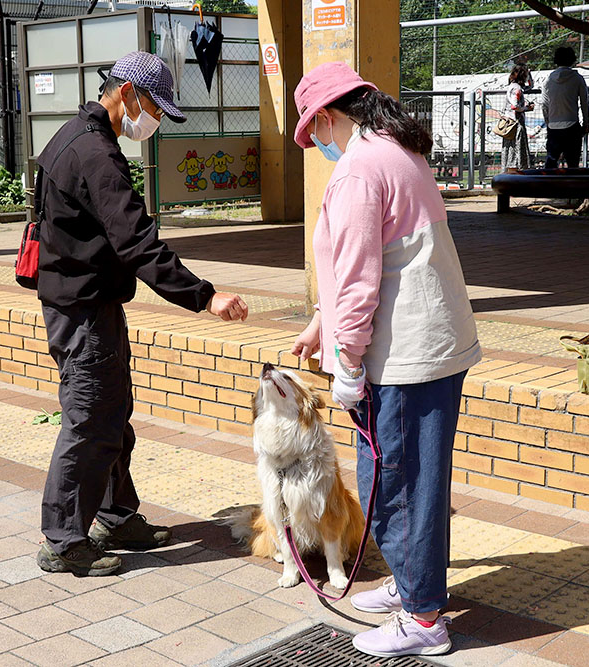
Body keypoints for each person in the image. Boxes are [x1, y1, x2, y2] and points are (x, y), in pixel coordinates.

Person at [289, 62, 481, 658]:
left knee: (396, 485)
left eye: (312, 131)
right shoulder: (398, 152)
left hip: (405, 356)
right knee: (415, 481)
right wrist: (326, 322)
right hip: (433, 346)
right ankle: (411, 586)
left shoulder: (357, 170)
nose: (315, 144)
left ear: (324, 116)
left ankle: (424, 620)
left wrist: (345, 364)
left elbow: (357, 279)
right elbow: (381, 259)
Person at [33, 51, 248, 577]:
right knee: (89, 419)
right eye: (154, 107)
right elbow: (136, 242)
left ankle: (115, 514)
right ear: (127, 93)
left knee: (111, 413)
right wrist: (203, 295)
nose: (153, 121)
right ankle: (62, 541)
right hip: (82, 309)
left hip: (86, 302)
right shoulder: (94, 153)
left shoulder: (78, 137)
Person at [541, 47, 589, 169]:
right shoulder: (577, 78)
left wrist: (548, 122)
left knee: (551, 162)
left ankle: (547, 186)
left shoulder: (548, 80)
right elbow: (585, 102)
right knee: (573, 164)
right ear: (572, 60)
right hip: (572, 125)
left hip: (553, 126)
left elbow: (544, 104)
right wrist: (586, 123)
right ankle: (572, 187)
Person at [501, 63, 534, 171]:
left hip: (510, 123)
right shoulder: (516, 89)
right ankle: (515, 172)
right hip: (515, 123)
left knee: (510, 149)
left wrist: (530, 74)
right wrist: (527, 108)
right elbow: (515, 106)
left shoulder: (514, 86)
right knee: (516, 149)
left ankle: (511, 171)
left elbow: (531, 86)